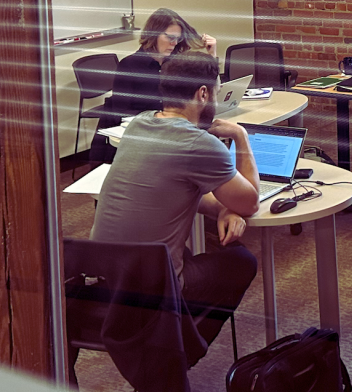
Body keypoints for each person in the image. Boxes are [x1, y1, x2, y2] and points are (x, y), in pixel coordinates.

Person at [91, 50, 259, 349]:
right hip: (153, 285)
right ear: (203, 93)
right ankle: (182, 350)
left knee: (199, 245)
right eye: (217, 92)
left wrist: (222, 208)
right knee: (241, 261)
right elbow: (250, 203)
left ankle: (170, 342)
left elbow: (174, 190)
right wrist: (241, 136)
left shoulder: (139, 124)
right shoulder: (198, 142)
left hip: (107, 273)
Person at [91, 7, 218, 163]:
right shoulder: (130, 65)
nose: (174, 43)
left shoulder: (176, 64)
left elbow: (207, 90)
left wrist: (212, 55)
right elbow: (120, 112)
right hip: (142, 134)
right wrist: (157, 120)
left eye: (177, 39)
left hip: (170, 131)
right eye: (170, 37)